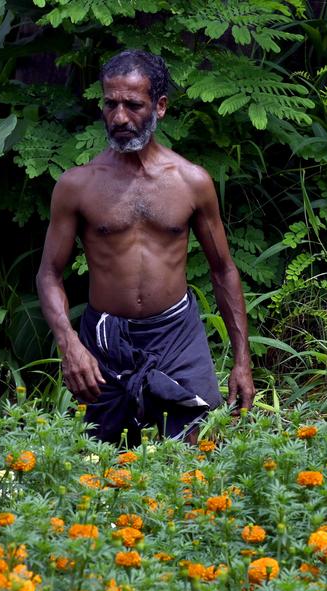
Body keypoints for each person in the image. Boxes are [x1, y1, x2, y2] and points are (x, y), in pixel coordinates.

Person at [35, 49, 255, 445]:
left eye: (133, 105)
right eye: (110, 104)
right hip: (105, 340)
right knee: (103, 467)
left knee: (201, 453)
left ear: (160, 106)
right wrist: (70, 344)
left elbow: (223, 270)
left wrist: (242, 361)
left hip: (176, 333)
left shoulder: (191, 182)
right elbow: (49, 273)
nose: (119, 118)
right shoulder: (77, 185)